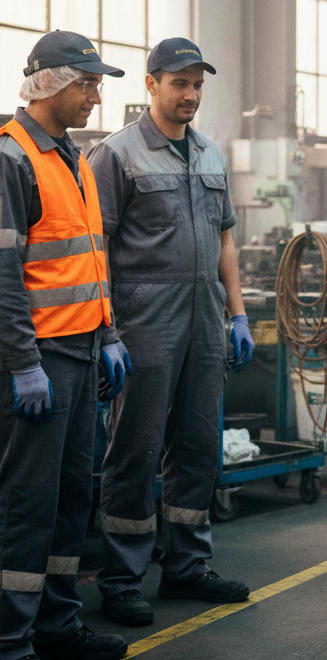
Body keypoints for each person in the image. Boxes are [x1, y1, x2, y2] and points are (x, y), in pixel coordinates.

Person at [86, 37, 254, 628]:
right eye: (179, 83)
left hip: (205, 319)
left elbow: (227, 237)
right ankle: (122, 579)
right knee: (134, 448)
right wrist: (107, 329)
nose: (191, 95)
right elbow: (95, 246)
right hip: (143, 320)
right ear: (151, 84)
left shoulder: (209, 153)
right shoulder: (116, 155)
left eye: (198, 85)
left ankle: (187, 568)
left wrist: (237, 313)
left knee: (197, 446)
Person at [0, 30, 129, 660]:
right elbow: (3, 272)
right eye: (88, 82)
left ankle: (56, 625)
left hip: (80, 352)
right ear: (50, 81)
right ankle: (11, 638)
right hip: (39, 363)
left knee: (74, 494)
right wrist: (23, 364)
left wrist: (106, 333)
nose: (96, 95)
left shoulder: (73, 156)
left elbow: (87, 261)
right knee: (27, 503)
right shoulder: (13, 156)